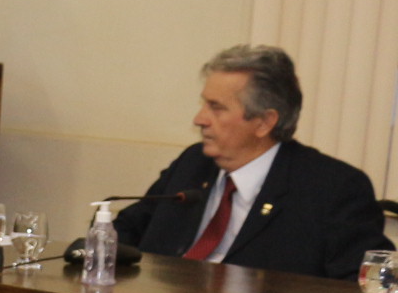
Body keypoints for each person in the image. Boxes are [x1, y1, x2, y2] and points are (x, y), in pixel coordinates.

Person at [113, 45, 386, 279]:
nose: (199, 119)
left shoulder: (333, 188)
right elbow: (124, 231)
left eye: (216, 107)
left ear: (264, 122)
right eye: (204, 104)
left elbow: (360, 287)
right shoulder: (194, 163)